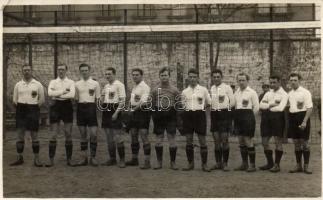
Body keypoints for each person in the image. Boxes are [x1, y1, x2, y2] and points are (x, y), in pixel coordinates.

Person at [10, 65, 45, 167]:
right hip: (21, 110)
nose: (26, 72)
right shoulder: (18, 85)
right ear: (22, 72)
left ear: (31, 71)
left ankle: (36, 159)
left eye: (28, 70)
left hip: (33, 109)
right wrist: (22, 107)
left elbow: (41, 100)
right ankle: (19, 158)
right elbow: (14, 100)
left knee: (34, 135)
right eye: (24, 70)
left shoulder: (38, 84)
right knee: (20, 134)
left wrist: (33, 108)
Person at [181, 68, 211, 172]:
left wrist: (201, 108)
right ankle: (190, 164)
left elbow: (208, 102)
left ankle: (204, 164)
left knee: (202, 140)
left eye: (194, 77)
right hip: (188, 115)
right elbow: (183, 105)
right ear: (188, 78)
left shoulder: (203, 89)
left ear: (198, 78)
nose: (192, 79)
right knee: (189, 140)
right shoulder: (184, 91)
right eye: (190, 77)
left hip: (200, 115)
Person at [151, 67, 180, 170]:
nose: (164, 77)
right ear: (159, 77)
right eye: (162, 75)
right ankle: (159, 162)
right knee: (159, 139)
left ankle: (173, 162)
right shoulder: (155, 90)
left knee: (171, 138)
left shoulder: (174, 90)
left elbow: (178, 103)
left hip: (171, 115)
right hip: (159, 115)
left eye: (166, 75)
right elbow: (153, 103)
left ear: (169, 76)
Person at [46, 64, 76, 167]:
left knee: (68, 133)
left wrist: (57, 94)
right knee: (53, 134)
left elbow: (72, 95)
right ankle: (51, 160)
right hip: (55, 106)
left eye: (62, 69)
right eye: (59, 69)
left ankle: (69, 159)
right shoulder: (53, 82)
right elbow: (50, 93)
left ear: (66, 70)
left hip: (67, 106)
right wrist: (63, 91)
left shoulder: (71, 82)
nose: (60, 71)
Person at [259, 75, 288, 172]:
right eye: (270, 82)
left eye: (274, 82)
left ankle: (277, 165)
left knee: (277, 141)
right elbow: (261, 105)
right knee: (264, 142)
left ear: (279, 82)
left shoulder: (284, 94)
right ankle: (270, 163)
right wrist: (271, 105)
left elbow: (280, 108)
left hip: (278, 119)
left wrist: (267, 107)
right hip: (266, 119)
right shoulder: (268, 93)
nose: (272, 84)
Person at [74, 63, 101, 166]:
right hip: (81, 108)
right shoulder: (77, 84)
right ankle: (83, 158)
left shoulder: (95, 84)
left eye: (86, 70)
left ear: (89, 71)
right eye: (82, 70)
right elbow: (75, 99)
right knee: (83, 135)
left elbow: (98, 98)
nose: (84, 72)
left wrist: (97, 112)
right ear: (80, 72)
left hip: (91, 108)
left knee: (93, 134)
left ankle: (93, 158)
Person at [125, 68, 152, 169]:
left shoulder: (145, 87)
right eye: (133, 75)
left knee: (144, 135)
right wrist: (129, 107)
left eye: (137, 75)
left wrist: (133, 110)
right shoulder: (135, 86)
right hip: (133, 112)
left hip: (142, 113)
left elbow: (143, 102)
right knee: (133, 135)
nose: (135, 76)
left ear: (141, 76)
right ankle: (134, 159)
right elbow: (132, 100)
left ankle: (147, 161)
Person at [100, 67, 126, 168]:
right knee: (109, 137)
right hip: (106, 110)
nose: (107, 76)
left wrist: (116, 113)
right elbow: (102, 99)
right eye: (106, 74)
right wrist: (102, 99)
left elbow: (122, 101)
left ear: (114, 74)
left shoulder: (119, 85)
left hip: (115, 110)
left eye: (109, 74)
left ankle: (122, 160)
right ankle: (112, 158)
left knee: (117, 136)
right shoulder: (106, 86)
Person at [287, 73, 313, 174]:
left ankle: (306, 166)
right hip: (293, 118)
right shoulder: (289, 94)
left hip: (303, 117)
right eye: (291, 80)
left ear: (299, 81)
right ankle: (298, 165)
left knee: (305, 142)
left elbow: (309, 108)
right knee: (296, 143)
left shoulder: (305, 92)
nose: (293, 82)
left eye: (295, 80)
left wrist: (304, 121)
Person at [233, 72, 259, 172]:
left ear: (247, 81)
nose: (241, 82)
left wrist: (250, 118)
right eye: (239, 80)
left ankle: (252, 165)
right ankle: (244, 164)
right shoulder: (236, 92)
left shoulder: (252, 92)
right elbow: (234, 105)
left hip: (248, 117)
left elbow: (256, 107)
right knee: (241, 140)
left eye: (243, 80)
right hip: (238, 117)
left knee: (248, 140)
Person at [210, 69, 235, 171]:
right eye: (214, 77)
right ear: (212, 78)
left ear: (221, 77)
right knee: (216, 140)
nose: (216, 78)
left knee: (224, 140)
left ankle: (225, 163)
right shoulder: (212, 88)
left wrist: (226, 110)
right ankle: (218, 163)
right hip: (214, 114)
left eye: (218, 77)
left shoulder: (227, 88)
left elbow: (233, 102)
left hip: (224, 114)